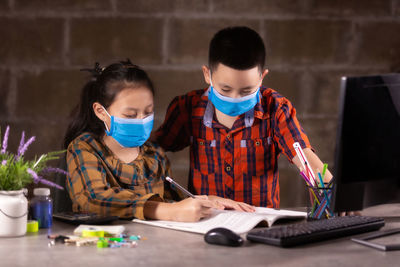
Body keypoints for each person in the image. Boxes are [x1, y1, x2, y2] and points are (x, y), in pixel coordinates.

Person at [154, 26, 333, 208]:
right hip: (206, 221)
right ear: (207, 74)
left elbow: (307, 160)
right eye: (225, 89)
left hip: (259, 224)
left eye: (246, 91)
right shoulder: (187, 108)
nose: (235, 98)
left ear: (262, 77)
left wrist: (333, 195)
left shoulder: (275, 108)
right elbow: (150, 151)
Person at [63, 60, 252, 222]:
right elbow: (93, 199)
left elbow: (173, 202)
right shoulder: (85, 148)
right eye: (130, 114)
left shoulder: (154, 154)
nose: (141, 120)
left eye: (148, 112)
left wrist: (208, 201)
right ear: (101, 112)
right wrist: (168, 211)